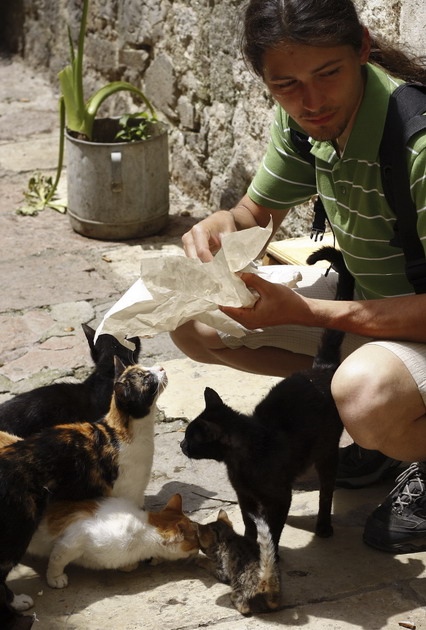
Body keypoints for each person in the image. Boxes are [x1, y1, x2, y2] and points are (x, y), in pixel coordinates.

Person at [170, 0, 426, 554]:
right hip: (373, 308)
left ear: (361, 47)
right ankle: (379, 439)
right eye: (286, 84)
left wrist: (304, 311)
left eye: (327, 75)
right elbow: (253, 215)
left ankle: (404, 439)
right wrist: (219, 226)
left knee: (365, 396)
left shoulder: (418, 145)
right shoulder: (305, 123)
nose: (310, 103)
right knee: (193, 325)